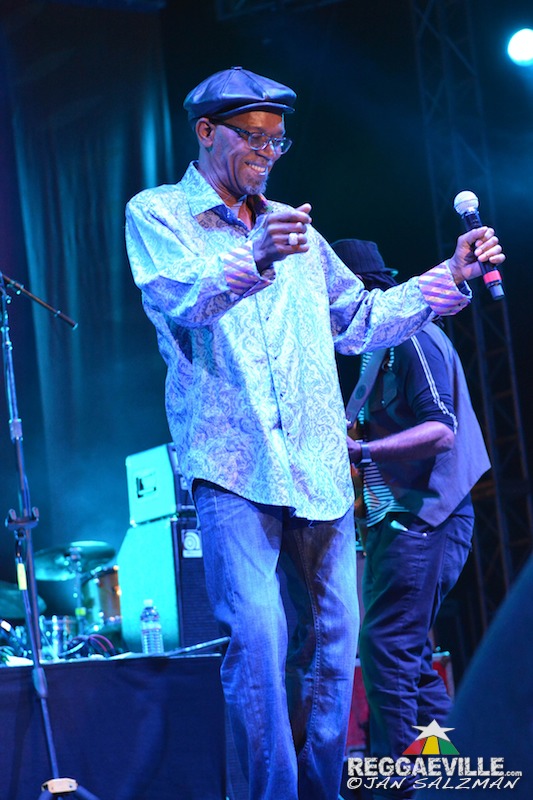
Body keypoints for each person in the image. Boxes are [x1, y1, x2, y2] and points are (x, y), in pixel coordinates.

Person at [124, 66, 504, 800]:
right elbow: (181, 299)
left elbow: (360, 319)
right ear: (207, 132)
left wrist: (449, 276)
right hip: (233, 465)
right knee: (260, 642)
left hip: (318, 468)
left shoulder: (297, 232)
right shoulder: (159, 213)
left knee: (335, 652)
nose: (268, 152)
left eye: (278, 140)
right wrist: (255, 256)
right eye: (253, 137)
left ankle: (322, 790)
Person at [332, 237, 491, 800]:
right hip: (398, 521)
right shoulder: (380, 350)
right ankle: (452, 783)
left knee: (387, 652)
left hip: (425, 518)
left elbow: (441, 430)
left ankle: (396, 791)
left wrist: (361, 452)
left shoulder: (410, 336)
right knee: (410, 660)